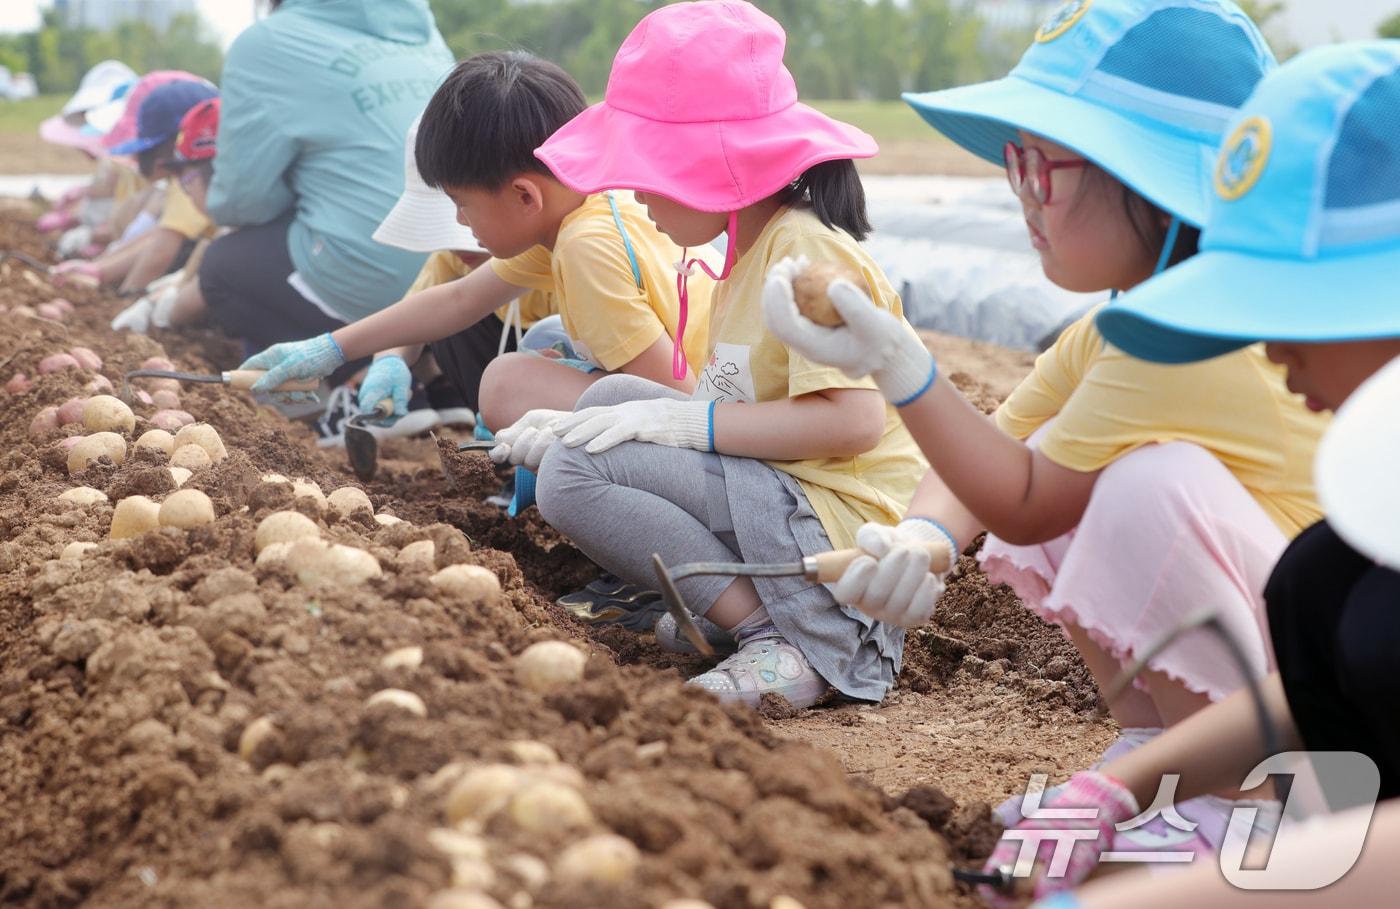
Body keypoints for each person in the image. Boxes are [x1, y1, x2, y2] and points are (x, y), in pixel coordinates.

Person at [765, 0, 1324, 840]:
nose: (1021, 195)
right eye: (1014, 165)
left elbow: (1024, 497)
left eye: (1041, 169)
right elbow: (1002, 443)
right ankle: (1165, 748)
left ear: (1149, 182)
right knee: (1062, 472)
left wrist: (903, 369)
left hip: (1320, 702)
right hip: (1288, 648)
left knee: (1138, 488)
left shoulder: (1188, 341)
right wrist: (922, 536)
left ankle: (1232, 802)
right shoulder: (1124, 325)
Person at [981, 41, 1400, 906]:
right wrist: (1121, 790)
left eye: (1297, 308)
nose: (1273, 348)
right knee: (1321, 582)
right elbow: (1307, 697)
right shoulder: (1339, 560)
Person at [491, 0, 929, 709]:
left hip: (839, 526)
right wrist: (628, 418)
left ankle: (787, 639)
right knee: (602, 404)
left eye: (645, 167)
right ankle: (753, 611)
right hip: (787, 497)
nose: (630, 189)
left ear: (707, 165)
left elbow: (854, 422)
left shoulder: (805, 254)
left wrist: (691, 426)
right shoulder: (745, 251)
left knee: (571, 477)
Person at [238, 52, 714, 455]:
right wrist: (330, 349)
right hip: (709, 395)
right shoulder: (585, 208)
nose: (462, 223)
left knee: (507, 384)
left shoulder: (584, 248)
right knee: (542, 341)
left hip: (702, 423)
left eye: (462, 204)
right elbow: (460, 299)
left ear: (525, 196)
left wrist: (556, 432)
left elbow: (674, 401)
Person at [196, 0, 455, 383]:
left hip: (377, 279)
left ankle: (343, 384)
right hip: (460, 276)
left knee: (222, 266)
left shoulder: (266, 42)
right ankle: (430, 379)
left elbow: (241, 202)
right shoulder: (424, 29)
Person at [347, 115, 560, 443]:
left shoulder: (564, 254)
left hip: (564, 387)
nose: (462, 231)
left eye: (465, 208)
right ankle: (500, 449)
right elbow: (414, 319)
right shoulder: (454, 258)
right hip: (511, 373)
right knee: (440, 316)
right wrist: (389, 360)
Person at [52, 75, 218, 293]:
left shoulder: (190, 180)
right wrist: (99, 270)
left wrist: (125, 296)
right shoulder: (179, 182)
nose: (139, 158)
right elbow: (158, 235)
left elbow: (162, 250)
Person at [110, 96, 222, 335]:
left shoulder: (234, 247)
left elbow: (162, 251)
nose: (184, 186)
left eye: (186, 178)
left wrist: (160, 314)